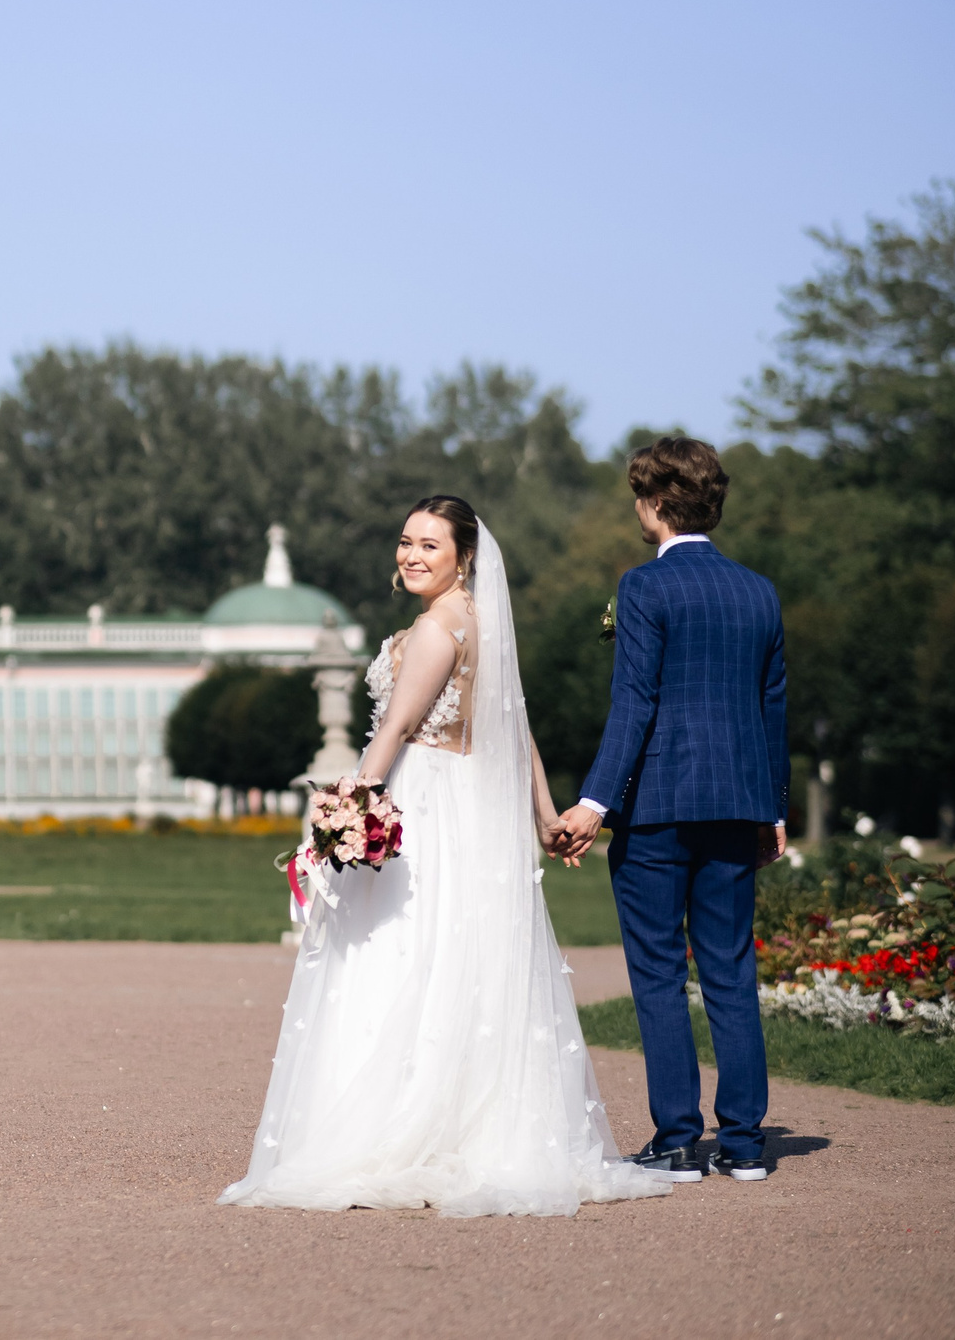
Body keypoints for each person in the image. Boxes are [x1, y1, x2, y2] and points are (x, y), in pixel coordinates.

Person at [219, 497, 671, 1216]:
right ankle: (468, 1121)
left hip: (424, 798)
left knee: (401, 952)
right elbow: (516, 729)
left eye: (430, 544)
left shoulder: (434, 628)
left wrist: (343, 817)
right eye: (405, 542)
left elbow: (395, 727)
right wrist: (546, 815)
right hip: (471, 807)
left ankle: (395, 1127)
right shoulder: (483, 625)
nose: (411, 554)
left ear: (464, 555)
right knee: (463, 956)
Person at [551, 438, 787, 1183]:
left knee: (658, 974)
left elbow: (636, 703)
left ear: (653, 503)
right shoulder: (759, 591)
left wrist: (594, 801)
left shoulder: (645, 587)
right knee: (729, 970)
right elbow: (771, 706)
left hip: (655, 808)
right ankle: (746, 1144)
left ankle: (679, 1138)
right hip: (736, 805)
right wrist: (773, 807)